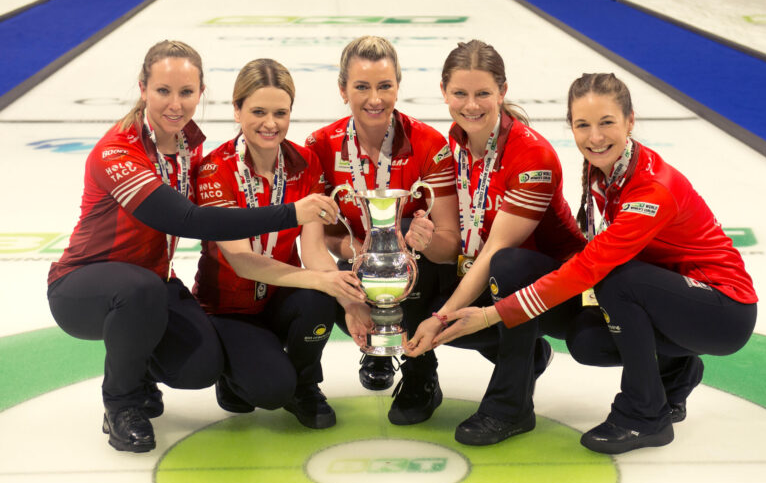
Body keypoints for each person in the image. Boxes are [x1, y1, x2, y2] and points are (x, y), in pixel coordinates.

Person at [426, 72, 758, 454]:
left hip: (722, 309)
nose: (595, 137)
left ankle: (644, 415)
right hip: (669, 298)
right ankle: (676, 370)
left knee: (618, 279)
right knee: (586, 341)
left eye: (607, 123)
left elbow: (591, 267)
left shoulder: (652, 188)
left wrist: (490, 315)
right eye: (583, 125)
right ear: (571, 126)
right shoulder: (603, 168)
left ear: (630, 121)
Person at [46, 40, 338, 453]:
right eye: (163, 90)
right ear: (142, 87)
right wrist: (291, 212)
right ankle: (121, 404)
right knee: (138, 290)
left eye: (186, 92)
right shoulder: (118, 151)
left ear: (201, 94)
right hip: (82, 287)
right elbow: (187, 221)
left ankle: (143, 366)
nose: (175, 103)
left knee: (201, 366)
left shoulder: (188, 148)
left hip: (151, 285)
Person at [406, 40, 587, 446]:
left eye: (483, 93)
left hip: (557, 288)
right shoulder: (446, 147)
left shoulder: (532, 155)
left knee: (508, 265)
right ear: (443, 91)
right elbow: (455, 243)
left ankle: (512, 408)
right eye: (460, 93)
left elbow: (493, 254)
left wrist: (440, 318)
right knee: (412, 245)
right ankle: (420, 380)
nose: (471, 105)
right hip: (486, 277)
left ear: (502, 92)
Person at [192, 58, 371, 430]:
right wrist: (319, 280)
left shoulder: (304, 164)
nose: (270, 124)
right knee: (270, 391)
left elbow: (315, 251)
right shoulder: (215, 169)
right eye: (257, 111)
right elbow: (242, 262)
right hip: (227, 309)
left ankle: (306, 385)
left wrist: (348, 302)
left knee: (321, 296)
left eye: (280, 112)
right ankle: (233, 368)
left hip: (277, 299)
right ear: (237, 110)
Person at [305, 36, 461, 420]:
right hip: (356, 260)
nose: (375, 98)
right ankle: (369, 350)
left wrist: (418, 243)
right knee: (332, 283)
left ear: (398, 85)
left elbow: (451, 239)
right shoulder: (320, 145)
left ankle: (421, 373)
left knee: (406, 241)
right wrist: (357, 251)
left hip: (419, 268)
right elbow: (319, 232)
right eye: (362, 87)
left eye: (384, 86)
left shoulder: (429, 143)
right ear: (343, 89)